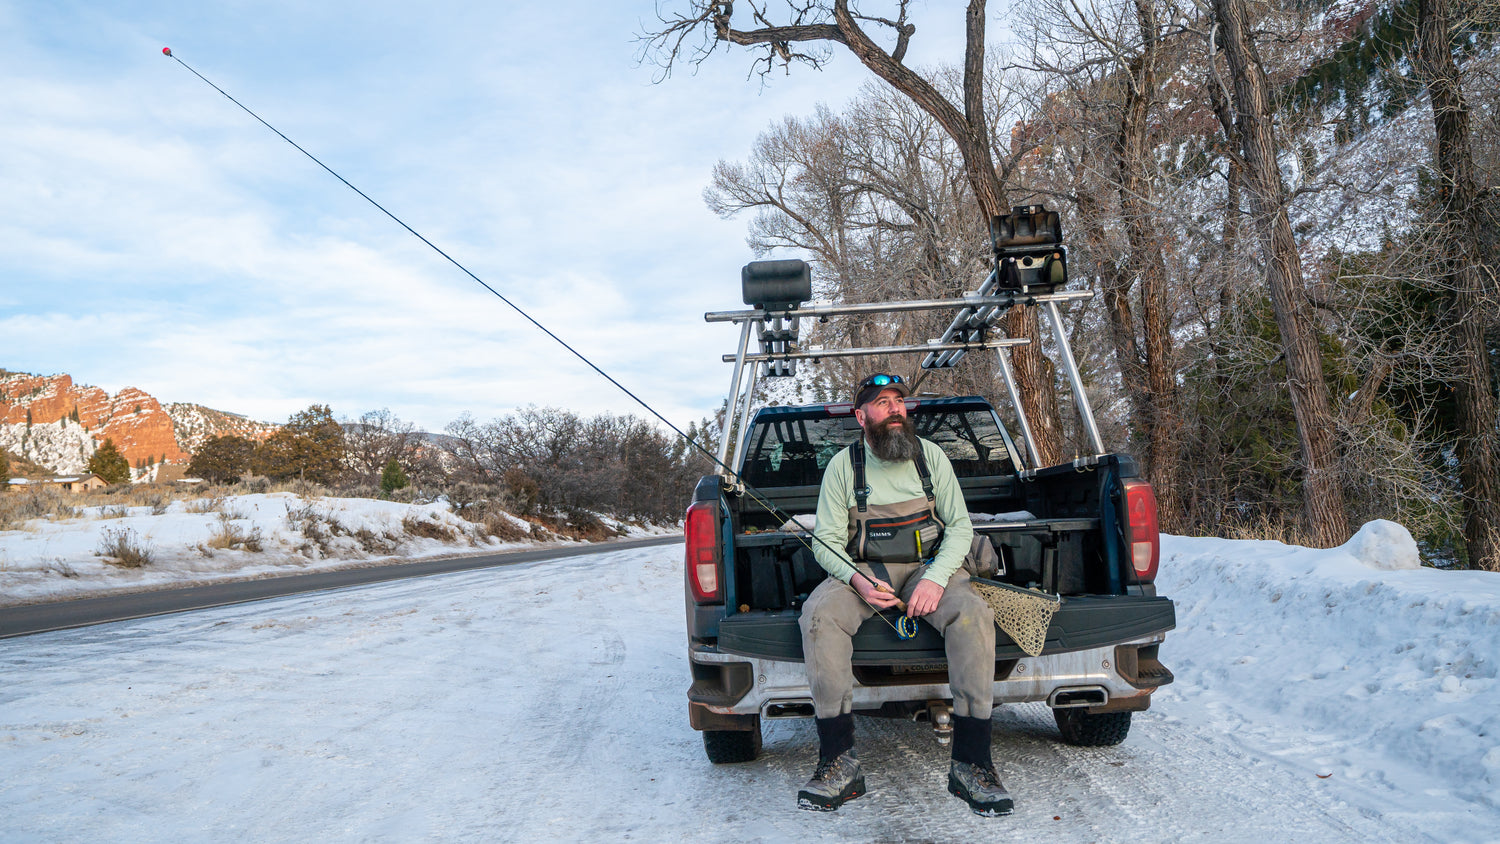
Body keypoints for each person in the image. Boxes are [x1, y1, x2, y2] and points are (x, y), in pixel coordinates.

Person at [796, 373, 1011, 816]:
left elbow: (960, 528)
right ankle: (838, 763)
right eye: (882, 402)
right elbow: (826, 542)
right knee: (819, 616)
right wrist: (857, 581)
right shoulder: (843, 467)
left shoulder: (930, 457)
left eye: (898, 400)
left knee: (972, 614)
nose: (895, 408)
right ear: (861, 417)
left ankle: (972, 764)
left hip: (929, 569)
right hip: (866, 573)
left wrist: (936, 580)